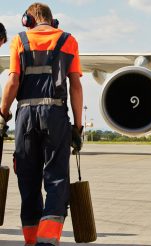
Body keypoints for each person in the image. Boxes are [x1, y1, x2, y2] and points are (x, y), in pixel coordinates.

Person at [0, 3, 83, 245]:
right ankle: (48, 238)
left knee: (27, 176)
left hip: (25, 114)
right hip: (56, 114)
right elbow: (76, 86)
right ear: (52, 20)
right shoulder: (68, 40)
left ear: (28, 19)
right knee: (56, 177)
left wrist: (3, 115)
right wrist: (77, 127)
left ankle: (30, 239)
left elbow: (13, 81)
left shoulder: (19, 40)